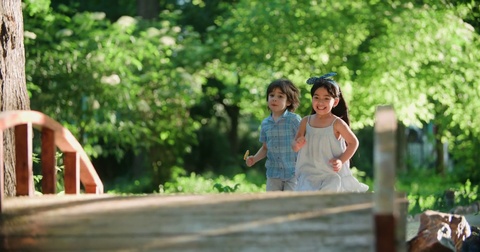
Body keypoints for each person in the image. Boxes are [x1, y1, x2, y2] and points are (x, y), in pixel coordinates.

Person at [291, 72, 368, 192]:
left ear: (335, 102)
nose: (320, 102)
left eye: (326, 98)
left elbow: (353, 142)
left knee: (330, 193)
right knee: (307, 197)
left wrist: (341, 160)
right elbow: (295, 145)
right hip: (309, 172)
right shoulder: (306, 121)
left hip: (331, 173)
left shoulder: (337, 123)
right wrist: (297, 145)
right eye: (316, 97)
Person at [245, 79, 301, 191]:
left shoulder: (294, 120)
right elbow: (265, 147)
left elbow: (304, 142)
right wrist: (254, 159)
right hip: (273, 173)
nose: (275, 98)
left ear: (289, 102)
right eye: (271, 95)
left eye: (280, 96)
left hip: (293, 172)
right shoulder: (265, 123)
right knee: (273, 203)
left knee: (290, 203)